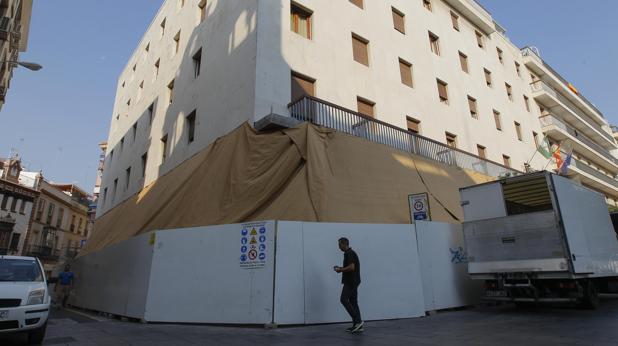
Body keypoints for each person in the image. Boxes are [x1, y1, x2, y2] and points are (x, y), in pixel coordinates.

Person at [333, 237, 363, 333]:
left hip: (351, 282)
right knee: (353, 302)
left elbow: (351, 267)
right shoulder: (350, 253)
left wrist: (340, 270)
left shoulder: (349, 253)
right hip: (354, 281)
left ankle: (358, 321)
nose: (338, 247)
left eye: (339, 245)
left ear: (344, 244)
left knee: (343, 299)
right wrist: (341, 268)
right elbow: (350, 266)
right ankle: (358, 325)